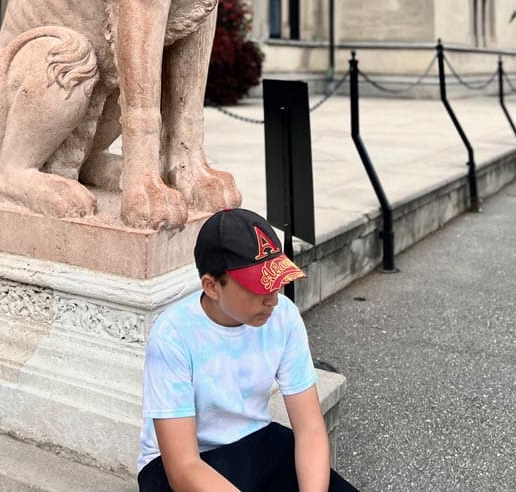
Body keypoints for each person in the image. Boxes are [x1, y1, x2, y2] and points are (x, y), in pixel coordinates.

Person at [137, 207, 360, 491]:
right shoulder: (173, 336)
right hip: (180, 463)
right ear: (212, 286)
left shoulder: (284, 317)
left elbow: (310, 428)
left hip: (255, 441)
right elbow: (183, 468)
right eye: (259, 287)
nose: (273, 300)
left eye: (276, 283)